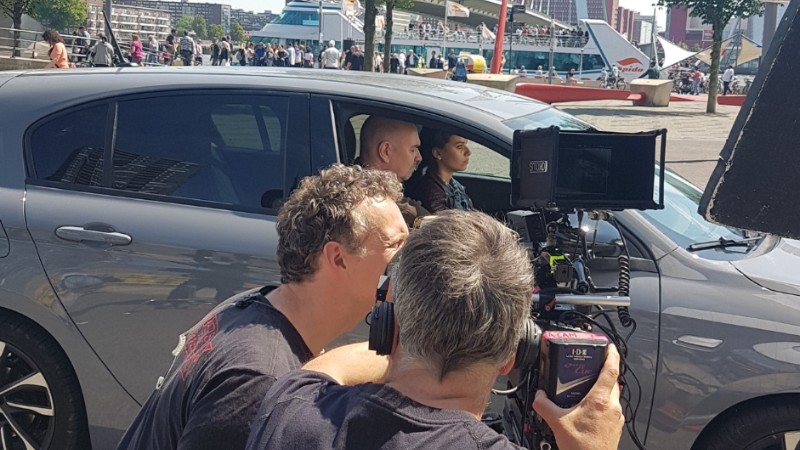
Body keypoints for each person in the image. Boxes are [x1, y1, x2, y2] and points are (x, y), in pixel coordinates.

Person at [246, 210, 625, 450]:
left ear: (387, 324)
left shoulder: (291, 407)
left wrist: (401, 335)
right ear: (512, 353)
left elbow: (328, 368)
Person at [116, 164, 408, 450]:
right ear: (338, 258)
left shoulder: (255, 307)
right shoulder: (257, 385)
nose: (409, 259)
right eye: (397, 245)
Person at [356, 116, 428, 226]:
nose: (419, 157)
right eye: (412, 150)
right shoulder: (371, 203)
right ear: (385, 151)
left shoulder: (360, 186)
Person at [406, 128, 474, 212]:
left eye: (466, 145)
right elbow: (447, 224)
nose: (468, 152)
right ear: (438, 153)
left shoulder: (453, 184)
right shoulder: (432, 194)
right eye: (459, 147)